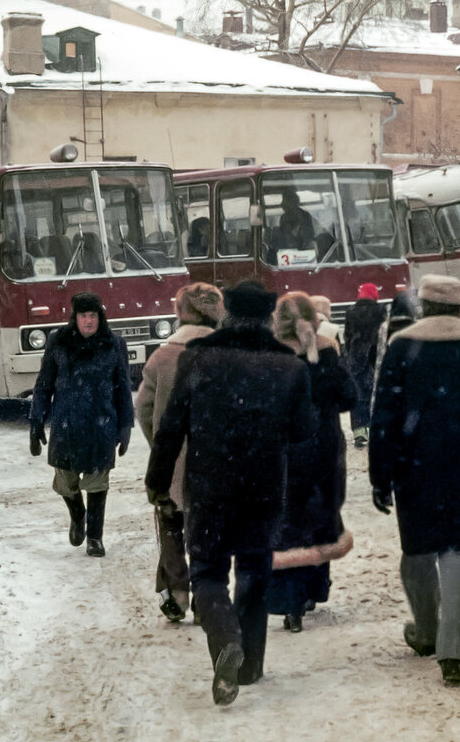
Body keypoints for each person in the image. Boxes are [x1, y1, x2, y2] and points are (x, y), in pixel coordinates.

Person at [145, 279, 317, 706]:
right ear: (268, 318)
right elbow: (303, 430)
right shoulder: (288, 366)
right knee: (255, 574)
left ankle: (225, 643)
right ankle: (251, 665)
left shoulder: (198, 360)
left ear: (228, 312)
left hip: (209, 486)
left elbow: (169, 430)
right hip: (263, 487)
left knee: (207, 571)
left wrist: (157, 482)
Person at [370, 274, 460, 688]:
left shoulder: (403, 345)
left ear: (423, 305)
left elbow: (384, 414)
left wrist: (380, 473)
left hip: (415, 463)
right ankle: (453, 650)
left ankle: (425, 630)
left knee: (419, 548)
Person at [265, 292, 356, 633]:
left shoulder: (269, 355)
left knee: (287, 524)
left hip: (283, 454)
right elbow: (349, 397)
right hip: (324, 451)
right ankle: (314, 589)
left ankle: (289, 602)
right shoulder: (328, 351)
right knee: (320, 517)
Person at [135, 282, 224, 623]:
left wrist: (158, 440)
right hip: (215, 462)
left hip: (172, 460)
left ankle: (176, 592)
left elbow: (142, 408)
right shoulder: (224, 354)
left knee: (171, 525)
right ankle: (205, 597)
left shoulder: (162, 356)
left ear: (179, 313)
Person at [29, 291, 134, 558]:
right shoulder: (58, 342)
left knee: (98, 483)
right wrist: (36, 420)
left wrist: (125, 426)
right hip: (66, 424)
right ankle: (78, 515)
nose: (88, 321)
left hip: (101, 425)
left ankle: (95, 538)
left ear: (100, 317)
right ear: (74, 318)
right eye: (83, 316)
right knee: (65, 481)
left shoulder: (114, 344)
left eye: (93, 316)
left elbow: (123, 387)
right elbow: (44, 384)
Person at [343, 282, 386, 448]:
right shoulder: (380, 310)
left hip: (357, 357)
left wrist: (350, 355)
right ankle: (377, 429)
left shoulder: (350, 312)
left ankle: (360, 433)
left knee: (359, 394)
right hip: (375, 355)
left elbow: (347, 336)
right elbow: (382, 333)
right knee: (377, 393)